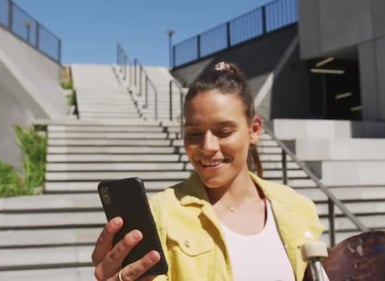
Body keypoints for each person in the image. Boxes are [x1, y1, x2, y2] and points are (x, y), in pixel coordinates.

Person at [92, 62, 324, 281]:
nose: (208, 147)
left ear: (254, 130)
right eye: (194, 133)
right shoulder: (160, 215)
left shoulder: (298, 208)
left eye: (223, 132)